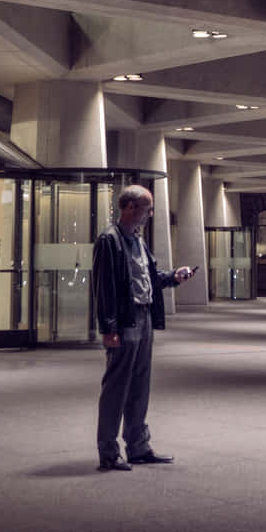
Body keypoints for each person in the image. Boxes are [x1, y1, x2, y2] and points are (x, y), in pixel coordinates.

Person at [93, 184, 193, 471]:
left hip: (144, 317)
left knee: (140, 386)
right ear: (129, 207)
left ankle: (138, 446)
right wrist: (108, 327)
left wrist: (174, 276)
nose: (150, 214)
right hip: (125, 322)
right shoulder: (108, 241)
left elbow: (149, 278)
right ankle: (109, 453)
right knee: (116, 388)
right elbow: (105, 289)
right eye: (147, 208)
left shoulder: (138, 241)